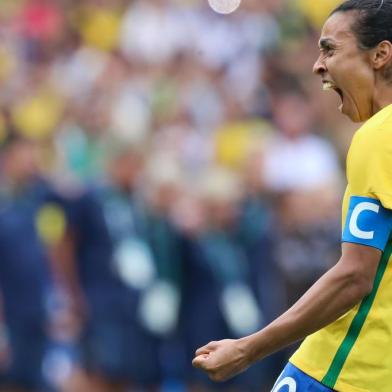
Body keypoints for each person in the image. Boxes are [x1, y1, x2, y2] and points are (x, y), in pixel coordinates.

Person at [192, 1, 392, 391]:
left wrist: (249, 348)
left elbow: (354, 276)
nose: (318, 65)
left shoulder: (379, 135)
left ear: (381, 54)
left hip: (342, 370)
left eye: (330, 49)